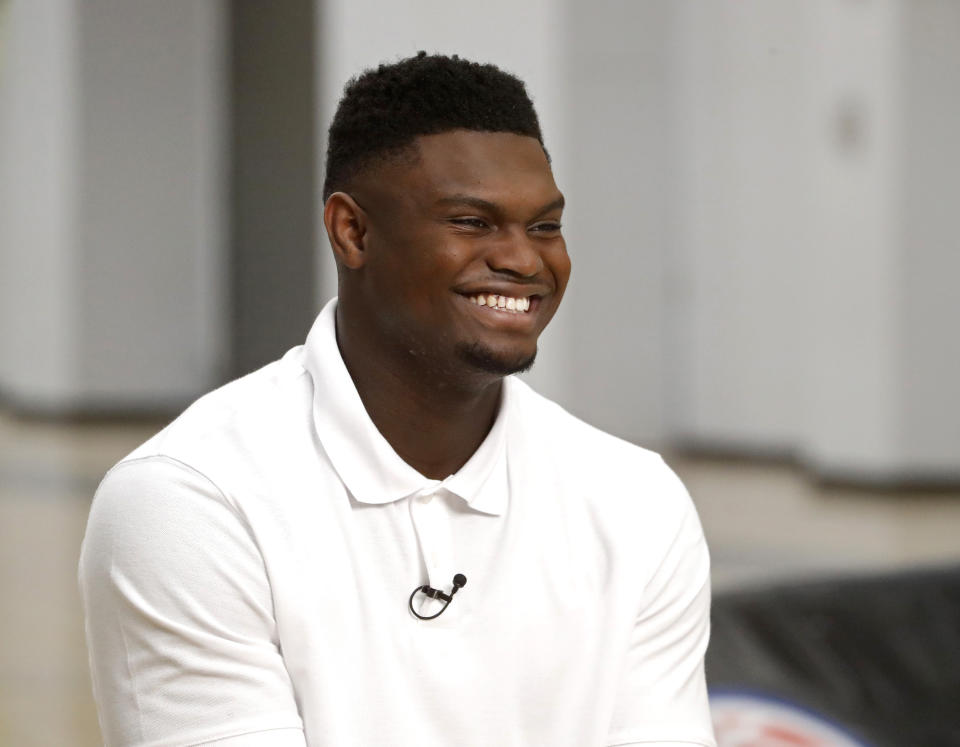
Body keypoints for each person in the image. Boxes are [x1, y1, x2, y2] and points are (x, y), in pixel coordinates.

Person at [80, 52, 715, 747]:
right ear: (352, 231)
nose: (526, 261)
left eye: (544, 226)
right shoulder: (191, 501)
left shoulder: (637, 504)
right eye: (473, 222)